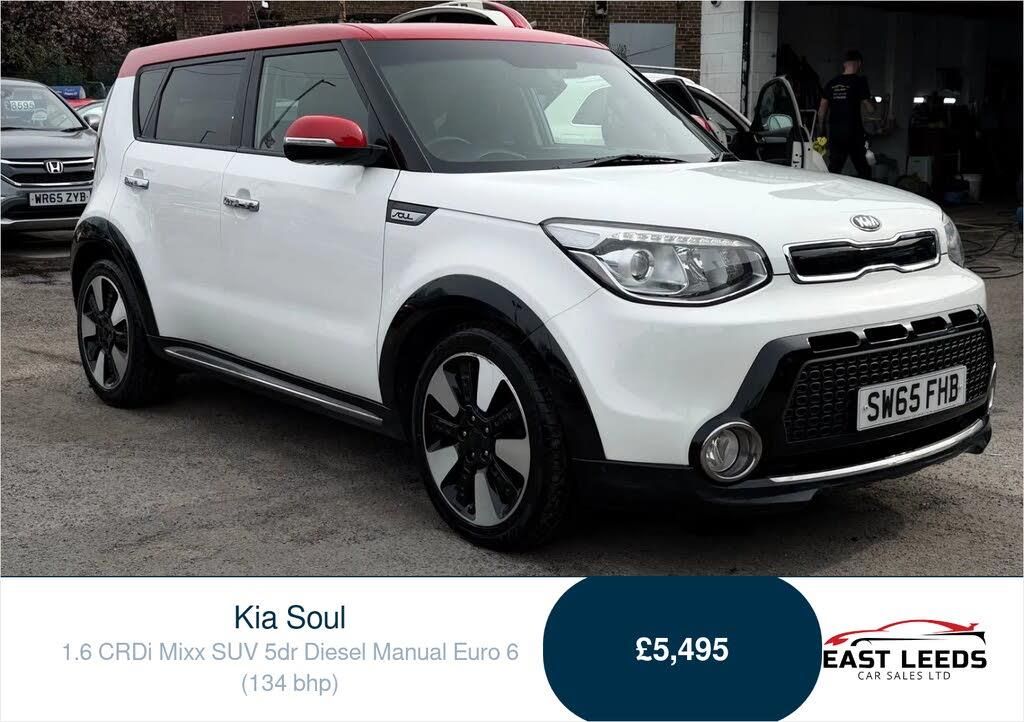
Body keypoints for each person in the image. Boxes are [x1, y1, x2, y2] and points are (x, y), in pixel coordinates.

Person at [818, 50, 874, 178]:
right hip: (854, 134)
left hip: (836, 134)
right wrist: (872, 101)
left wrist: (821, 130)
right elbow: (870, 109)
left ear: (844, 64)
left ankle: (830, 189)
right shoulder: (860, 82)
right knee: (864, 171)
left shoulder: (831, 83)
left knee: (834, 169)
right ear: (859, 63)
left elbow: (821, 110)